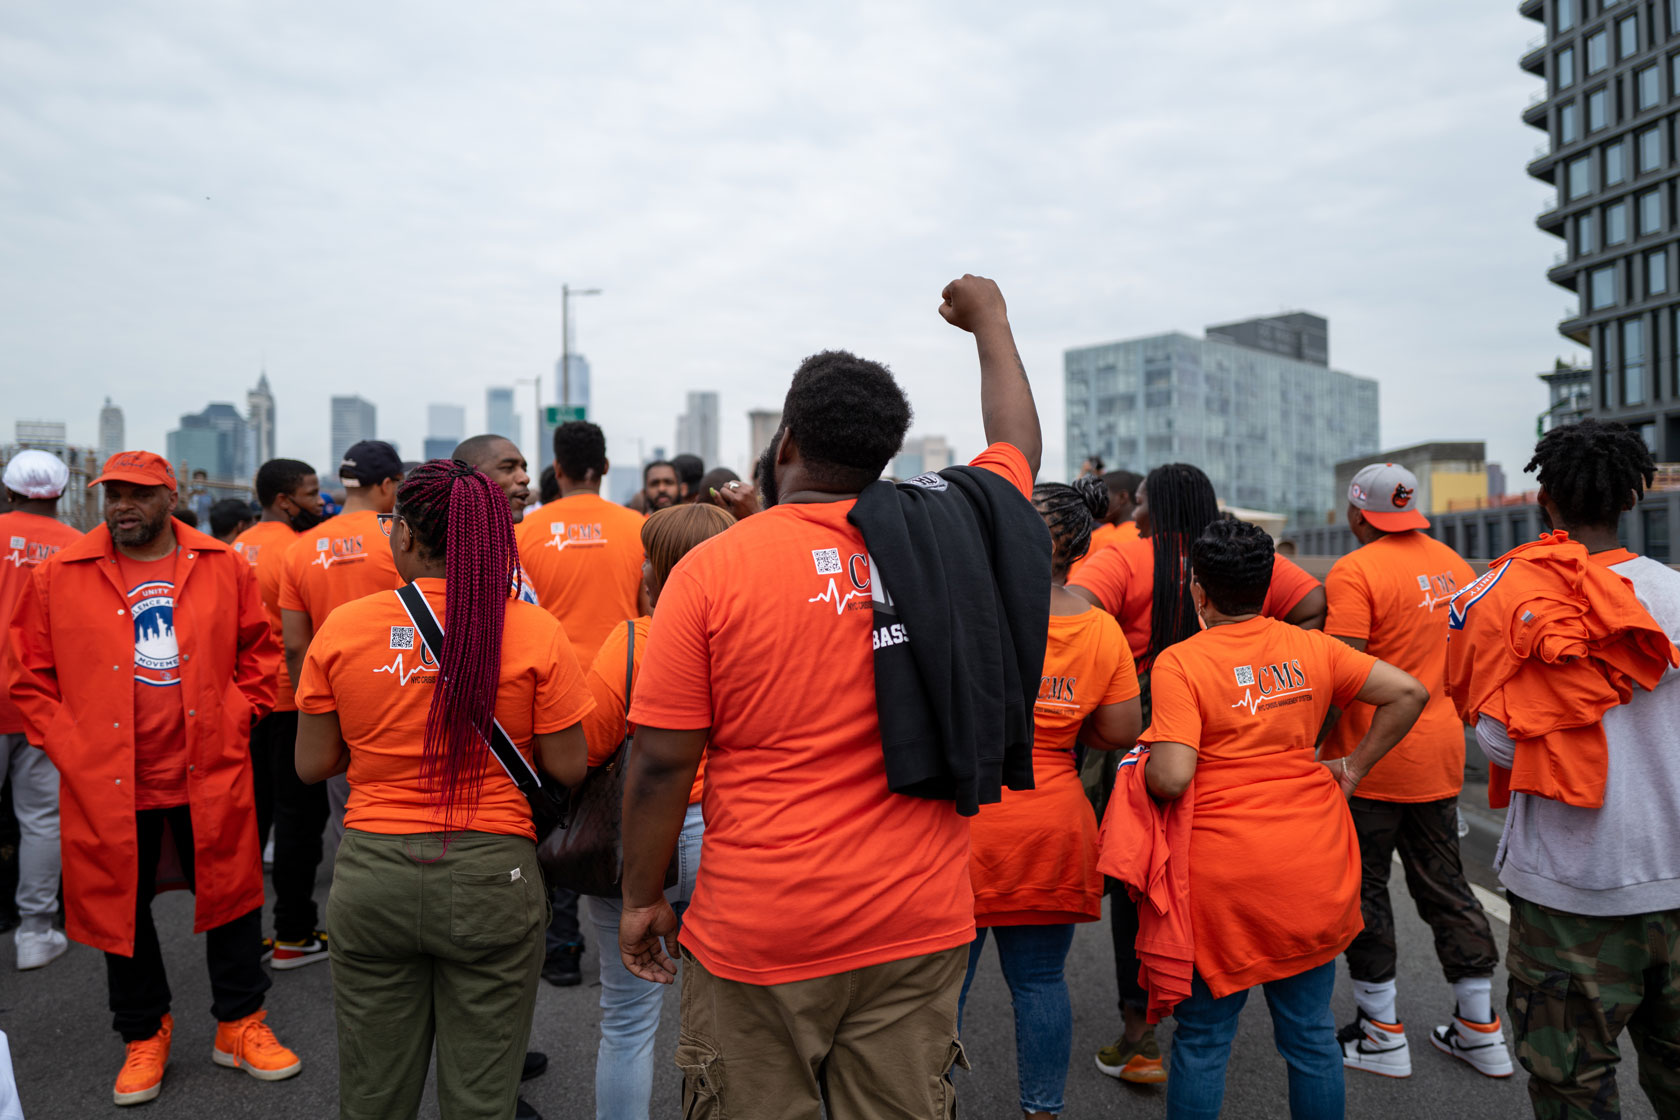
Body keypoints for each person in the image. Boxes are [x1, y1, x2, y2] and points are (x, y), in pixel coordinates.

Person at [618, 273, 1044, 1119]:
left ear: (785, 446)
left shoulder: (713, 568)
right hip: (917, 921)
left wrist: (639, 898)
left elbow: (663, 764)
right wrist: (992, 323)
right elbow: (1016, 449)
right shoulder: (947, 527)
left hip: (762, 929)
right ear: (885, 455)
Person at [294, 460, 593, 1120]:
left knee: (373, 1094)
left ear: (403, 535)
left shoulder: (343, 628)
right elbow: (569, 768)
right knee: (482, 1096)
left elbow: (313, 765)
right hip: (494, 874)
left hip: (373, 874)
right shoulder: (535, 630)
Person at [9, 450, 301, 1106]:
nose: (121, 506)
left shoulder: (222, 565)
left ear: (171, 497)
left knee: (233, 900)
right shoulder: (60, 572)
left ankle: (239, 1023)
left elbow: (259, 648)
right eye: (112, 494)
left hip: (208, 766)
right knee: (123, 910)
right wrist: (70, 745)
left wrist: (240, 713)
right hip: (108, 779)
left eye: (138, 494)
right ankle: (144, 1033)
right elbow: (27, 675)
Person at [1137, 519, 1427, 1120]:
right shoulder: (1316, 649)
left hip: (1223, 883)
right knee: (1311, 1036)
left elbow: (1170, 776)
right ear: (1268, 587)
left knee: (1204, 1040)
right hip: (1310, 869)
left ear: (1198, 591)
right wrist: (1351, 767)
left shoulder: (1180, 663)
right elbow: (1408, 693)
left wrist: (1136, 766)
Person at [1069, 461, 1327, 1082]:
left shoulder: (1129, 559)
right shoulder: (1227, 549)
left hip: (1151, 725)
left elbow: (1072, 607)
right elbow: (1314, 601)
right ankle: (1236, 976)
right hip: (1239, 714)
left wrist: (1112, 674)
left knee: (1140, 874)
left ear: (1156, 508)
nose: (1133, 516)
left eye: (1141, 505)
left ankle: (1142, 1035)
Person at [1459, 420, 1680, 1119]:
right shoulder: (1674, 592)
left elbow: (1500, 745)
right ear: (1632, 500)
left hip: (1567, 893)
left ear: (1544, 500)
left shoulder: (1508, 596)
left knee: (1572, 1090)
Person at [961, 477, 1141, 1119]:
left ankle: (930, 1102)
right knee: (1039, 982)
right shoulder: (1100, 630)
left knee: (942, 986)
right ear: (1080, 551)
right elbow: (1119, 732)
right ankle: (1043, 1110)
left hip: (968, 822)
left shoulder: (970, 612)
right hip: (1054, 820)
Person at [1321, 463, 1508, 1079]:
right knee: (1446, 887)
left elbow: (1342, 676)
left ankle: (1381, 1033)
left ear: (1356, 514)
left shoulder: (1355, 570)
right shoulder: (1455, 565)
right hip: (1440, 755)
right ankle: (1480, 1029)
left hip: (1370, 761)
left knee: (1365, 889)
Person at [580, 503, 734, 1120]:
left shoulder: (630, 640)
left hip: (644, 837)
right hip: (732, 831)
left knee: (626, 1020)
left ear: (655, 570)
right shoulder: (754, 632)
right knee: (734, 1016)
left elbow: (587, 747)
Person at [516, 422, 648, 986]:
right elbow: (649, 607)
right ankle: (643, 916)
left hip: (550, 694)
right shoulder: (638, 528)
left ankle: (562, 945)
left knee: (557, 820)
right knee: (626, 807)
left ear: (558, 468)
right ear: (605, 466)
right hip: (628, 685)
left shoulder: (525, 532)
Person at [279, 439, 404, 855]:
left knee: (348, 822)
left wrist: (312, 709)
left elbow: (296, 646)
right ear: (387, 484)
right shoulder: (399, 538)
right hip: (402, 694)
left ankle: (356, 908)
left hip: (334, 700)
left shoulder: (299, 549)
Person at [232, 459, 330, 970]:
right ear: (287, 500)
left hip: (243, 702)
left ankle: (243, 938)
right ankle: (293, 933)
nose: (320, 502)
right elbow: (301, 636)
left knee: (250, 822)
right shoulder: (299, 550)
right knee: (298, 822)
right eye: (312, 493)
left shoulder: (233, 548)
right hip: (291, 700)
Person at [0, 451, 81, 971]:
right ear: (61, 494)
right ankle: (35, 932)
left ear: (8, 492)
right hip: (40, 697)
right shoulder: (78, 548)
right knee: (41, 818)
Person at [1066, 469, 1141, 582]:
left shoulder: (1107, 539)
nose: (1094, 500)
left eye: (1100, 494)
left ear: (1122, 497)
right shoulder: (1151, 535)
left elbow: (1075, 585)